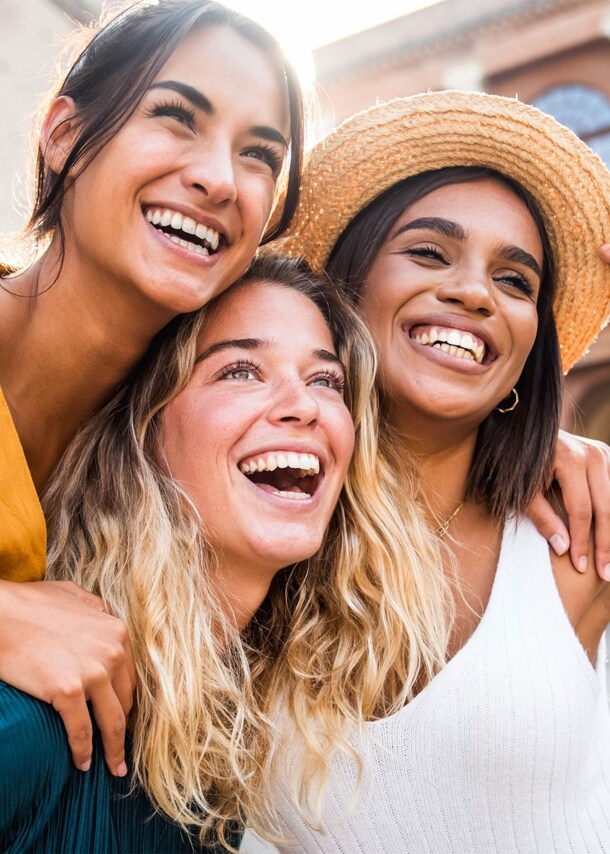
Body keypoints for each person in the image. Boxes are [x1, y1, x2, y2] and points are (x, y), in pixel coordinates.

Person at [268, 90, 610, 850]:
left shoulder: (584, 539)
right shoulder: (249, 529)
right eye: (428, 251)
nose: (473, 292)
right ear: (345, 287)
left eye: (516, 281)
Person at [2, 254, 427, 849]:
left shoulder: (227, 739)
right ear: (142, 429)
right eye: (241, 371)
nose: (302, 406)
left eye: (326, 381)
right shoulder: (36, 713)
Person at [0, 0, 304, 778]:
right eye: (175, 116)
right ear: (64, 134)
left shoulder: (180, 439)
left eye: (260, 155)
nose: (217, 179)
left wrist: (530, 450)